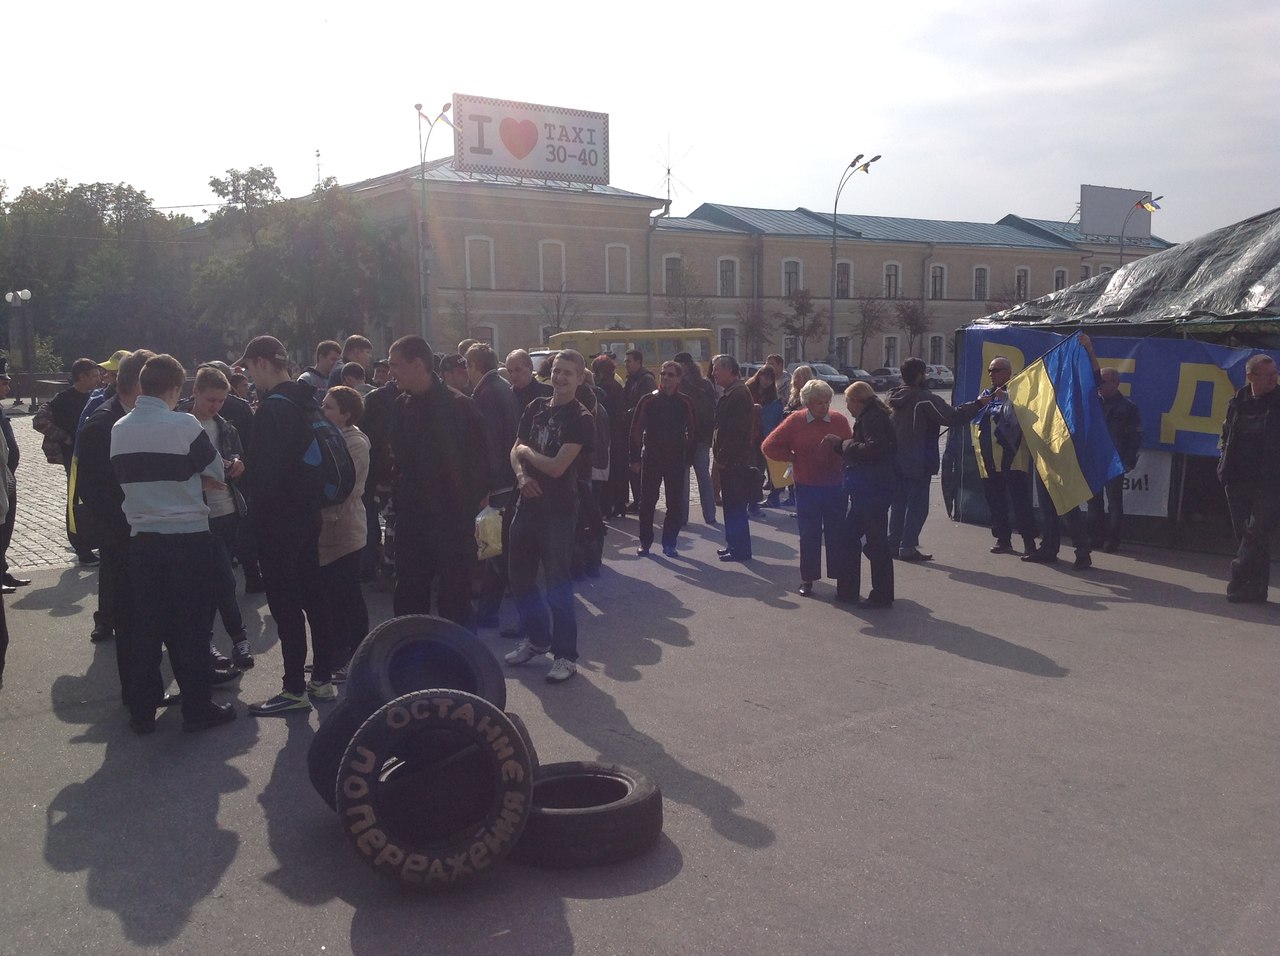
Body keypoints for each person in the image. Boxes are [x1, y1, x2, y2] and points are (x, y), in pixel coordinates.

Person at [110, 354, 235, 734]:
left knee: (147, 626)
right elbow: (215, 471)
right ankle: (197, 709)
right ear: (176, 388)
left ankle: (142, 712)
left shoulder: (119, 427)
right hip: (187, 537)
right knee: (192, 627)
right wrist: (193, 479)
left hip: (143, 540)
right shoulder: (183, 424)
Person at [238, 335, 330, 716]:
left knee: (286, 605)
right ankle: (321, 680)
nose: (247, 375)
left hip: (279, 522)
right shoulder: (307, 399)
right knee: (314, 598)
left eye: (247, 367)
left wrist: (242, 477)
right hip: (309, 515)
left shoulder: (273, 408)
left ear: (261, 362)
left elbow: (265, 477)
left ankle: (293, 688)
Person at [387, 335, 492, 629]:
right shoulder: (400, 405)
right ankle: (408, 664)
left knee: (455, 602)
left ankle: (459, 667)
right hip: (411, 521)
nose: (390, 371)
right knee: (408, 599)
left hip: (453, 523)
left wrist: (467, 513)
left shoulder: (461, 408)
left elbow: (481, 468)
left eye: (396, 365)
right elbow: (397, 460)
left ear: (418, 364)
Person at [503, 349, 594, 683]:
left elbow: (557, 467)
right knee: (519, 579)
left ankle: (566, 655)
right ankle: (538, 639)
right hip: (525, 506)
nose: (560, 377)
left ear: (580, 378)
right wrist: (522, 476)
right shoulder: (535, 407)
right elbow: (515, 449)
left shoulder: (581, 418)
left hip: (558, 513)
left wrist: (527, 453)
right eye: (557, 371)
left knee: (558, 583)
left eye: (568, 372)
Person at [181, 367, 253, 670]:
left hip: (227, 509)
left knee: (218, 579)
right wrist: (198, 482)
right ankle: (236, 639)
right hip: (197, 514)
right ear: (195, 392)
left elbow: (237, 453)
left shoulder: (226, 426)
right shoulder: (180, 425)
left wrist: (237, 464)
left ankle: (216, 641)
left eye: (221, 401)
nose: (216, 406)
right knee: (220, 579)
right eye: (211, 400)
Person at [763, 379, 851, 597]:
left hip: (835, 486)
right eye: (819, 402)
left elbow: (851, 447)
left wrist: (841, 452)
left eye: (827, 401)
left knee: (836, 533)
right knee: (809, 534)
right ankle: (808, 578)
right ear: (808, 403)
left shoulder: (838, 420)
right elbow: (769, 446)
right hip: (807, 486)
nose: (824, 406)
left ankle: (840, 578)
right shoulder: (796, 421)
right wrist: (792, 457)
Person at [1022, 334, 1101, 571]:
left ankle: (1083, 551)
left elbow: (1094, 379)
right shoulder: (1039, 395)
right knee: (1047, 507)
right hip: (1044, 456)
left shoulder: (1071, 394)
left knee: (1067, 506)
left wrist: (1089, 350)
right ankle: (1049, 548)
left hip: (1064, 454)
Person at [887, 357, 968, 562]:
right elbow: (951, 417)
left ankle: (893, 544)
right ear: (920, 375)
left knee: (898, 504)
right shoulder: (924, 398)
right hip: (918, 460)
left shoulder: (892, 396)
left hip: (895, 459)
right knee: (917, 506)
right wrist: (977, 405)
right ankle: (907, 546)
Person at [955, 356, 1036, 556]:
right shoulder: (987, 394)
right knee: (996, 501)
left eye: (997, 370)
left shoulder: (1017, 391)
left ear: (1008, 372)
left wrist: (1006, 399)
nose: (992, 374)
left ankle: (1029, 543)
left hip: (1013, 459)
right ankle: (1003, 539)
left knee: (1020, 503)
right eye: (990, 370)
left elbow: (1023, 418)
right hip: (990, 460)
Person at [1217, 353, 1280, 603]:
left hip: (1270, 480)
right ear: (1251, 376)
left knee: (1255, 531)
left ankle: (1238, 578)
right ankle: (1257, 589)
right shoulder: (1237, 401)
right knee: (1247, 535)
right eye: (1269, 375)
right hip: (1237, 478)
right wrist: (1222, 460)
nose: (1275, 379)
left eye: (1276, 374)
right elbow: (1226, 433)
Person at [467, 343, 521, 627]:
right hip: (508, 478)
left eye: (467, 365)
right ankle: (490, 612)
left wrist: (485, 486)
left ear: (474, 366)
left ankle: (498, 614)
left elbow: (488, 443)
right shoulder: (502, 387)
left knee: (497, 550)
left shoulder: (486, 394)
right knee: (498, 549)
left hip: (498, 482)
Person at [318, 386, 371, 672]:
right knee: (329, 596)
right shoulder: (330, 437)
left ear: (346, 414)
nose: (323, 411)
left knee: (346, 595)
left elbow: (345, 486)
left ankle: (356, 655)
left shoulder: (355, 442)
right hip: (327, 529)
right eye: (323, 405)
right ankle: (334, 653)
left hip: (345, 528)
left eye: (329, 407)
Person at [832, 381, 896, 608]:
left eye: (848, 401)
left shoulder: (871, 418)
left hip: (871, 490)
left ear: (856, 401)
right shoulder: (874, 415)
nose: (846, 406)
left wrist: (843, 445)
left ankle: (877, 593)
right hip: (873, 489)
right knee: (860, 539)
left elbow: (873, 450)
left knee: (870, 542)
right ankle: (855, 590)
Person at [33, 357, 101, 564]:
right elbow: (39, 421)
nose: (98, 379)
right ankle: (81, 548)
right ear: (81, 376)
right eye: (94, 375)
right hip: (74, 458)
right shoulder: (62, 399)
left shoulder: (95, 397)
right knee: (77, 502)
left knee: (94, 499)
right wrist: (66, 438)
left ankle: (94, 540)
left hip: (93, 457)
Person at [629, 361, 696, 557]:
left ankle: (670, 542)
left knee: (674, 503)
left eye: (670, 375)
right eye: (663, 374)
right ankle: (645, 541)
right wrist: (634, 458)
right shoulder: (648, 400)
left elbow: (693, 430)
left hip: (675, 458)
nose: (666, 378)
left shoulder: (685, 402)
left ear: (678, 379)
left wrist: (688, 457)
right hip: (651, 457)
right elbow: (635, 430)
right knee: (647, 502)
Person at [1088, 367, 1143, 553]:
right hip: (1095, 458)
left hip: (1115, 460)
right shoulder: (1094, 403)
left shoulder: (1128, 407)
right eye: (1098, 382)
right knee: (1093, 501)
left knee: (1114, 502)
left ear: (1115, 383)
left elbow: (1135, 437)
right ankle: (1095, 537)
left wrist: (1128, 460)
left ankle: (1112, 540)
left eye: (1103, 382)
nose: (1099, 386)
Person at [711, 355, 755, 562]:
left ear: (729, 370)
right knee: (731, 505)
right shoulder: (733, 392)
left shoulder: (737, 394)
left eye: (717, 369)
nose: (713, 373)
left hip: (734, 461)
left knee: (735, 506)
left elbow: (734, 432)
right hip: (732, 459)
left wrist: (722, 458)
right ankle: (733, 544)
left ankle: (740, 549)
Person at [674, 351, 717, 526]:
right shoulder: (705, 384)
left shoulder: (680, 385)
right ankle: (709, 514)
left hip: (686, 436)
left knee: (685, 477)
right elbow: (713, 409)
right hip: (701, 436)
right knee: (702, 475)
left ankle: (683, 517)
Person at [0, 362, 28, 593]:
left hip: (7, 477)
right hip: (2, 478)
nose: (7, 386)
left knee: (6, 527)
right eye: (3, 382)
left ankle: (2, 570)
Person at [593, 354, 629, 518]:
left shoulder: (602, 389)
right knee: (618, 469)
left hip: (608, 433)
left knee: (608, 471)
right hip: (619, 432)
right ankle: (620, 503)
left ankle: (607, 506)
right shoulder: (617, 385)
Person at [621, 349, 657, 511]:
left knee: (639, 467)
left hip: (641, 429)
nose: (626, 364)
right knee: (633, 467)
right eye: (626, 361)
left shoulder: (646, 380)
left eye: (629, 361)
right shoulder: (632, 380)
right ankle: (638, 499)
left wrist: (630, 413)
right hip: (631, 427)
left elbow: (647, 405)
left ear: (638, 362)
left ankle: (643, 501)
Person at [746, 365, 783, 514]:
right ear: (759, 375)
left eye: (770, 378)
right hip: (749, 437)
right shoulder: (748, 389)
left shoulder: (773, 396)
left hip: (763, 438)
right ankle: (746, 503)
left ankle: (754, 504)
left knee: (759, 472)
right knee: (750, 470)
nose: (766, 381)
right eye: (764, 377)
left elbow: (775, 417)